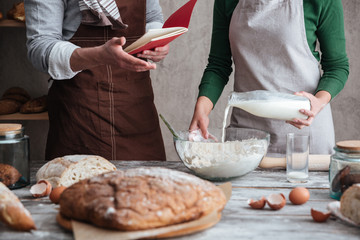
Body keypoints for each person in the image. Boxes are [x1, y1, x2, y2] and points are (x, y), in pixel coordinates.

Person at [189, 0, 349, 155]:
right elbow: (218, 65)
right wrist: (202, 108)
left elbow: (337, 66)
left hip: (306, 132)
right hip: (248, 133)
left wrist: (318, 102)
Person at [24, 0, 170, 160]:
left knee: (150, 183)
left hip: (138, 111)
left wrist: (157, 41)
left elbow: (152, 17)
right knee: (79, 183)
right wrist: (100, 55)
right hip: (81, 114)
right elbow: (40, 48)